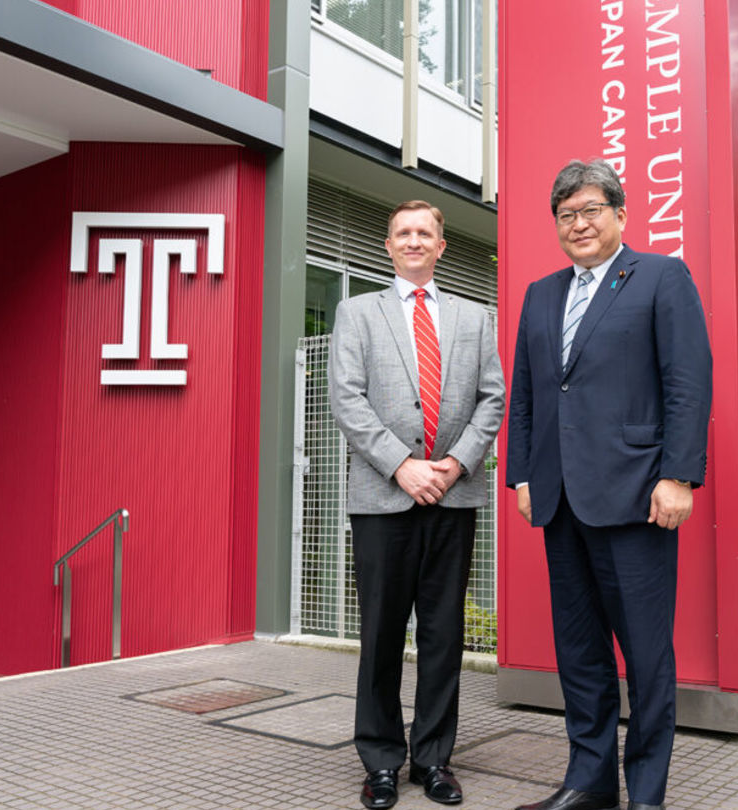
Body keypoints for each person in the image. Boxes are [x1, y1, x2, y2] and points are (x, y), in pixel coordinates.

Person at [505, 159, 712, 810]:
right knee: (580, 650)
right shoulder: (540, 294)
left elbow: (688, 382)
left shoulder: (659, 276)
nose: (579, 223)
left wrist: (678, 475)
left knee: (646, 657)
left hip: (635, 496)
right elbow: (528, 395)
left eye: (591, 209)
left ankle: (646, 793)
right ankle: (589, 783)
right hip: (560, 498)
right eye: (566, 214)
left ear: (621, 214)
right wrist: (522, 473)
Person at [329, 200, 505, 809]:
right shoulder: (356, 313)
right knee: (380, 634)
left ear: (441, 245)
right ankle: (380, 760)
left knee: (443, 634)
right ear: (387, 244)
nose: (413, 241)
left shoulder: (475, 318)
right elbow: (347, 399)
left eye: (424, 233)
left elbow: (492, 400)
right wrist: (403, 466)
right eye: (403, 232)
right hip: (383, 498)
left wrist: (453, 465)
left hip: (454, 497)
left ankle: (433, 759)